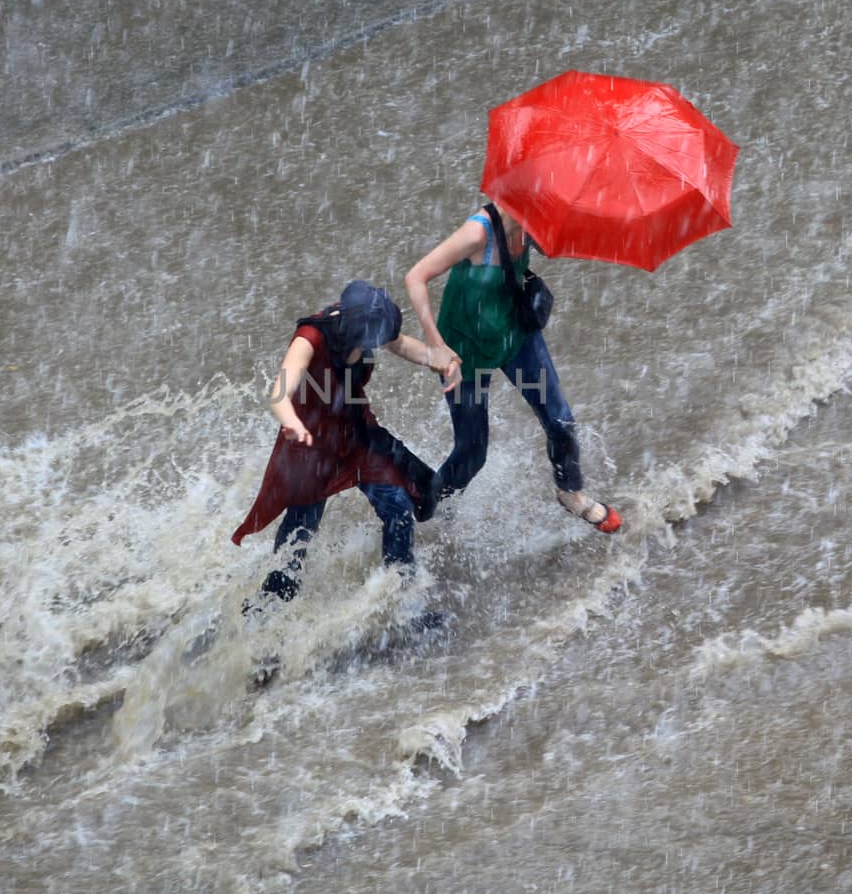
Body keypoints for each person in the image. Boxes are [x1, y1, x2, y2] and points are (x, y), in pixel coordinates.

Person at [232, 280, 459, 606]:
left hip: (356, 436)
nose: (379, 344)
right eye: (374, 340)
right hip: (309, 444)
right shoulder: (310, 338)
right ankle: (271, 602)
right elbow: (279, 392)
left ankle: (403, 590)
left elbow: (400, 344)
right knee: (301, 530)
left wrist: (434, 358)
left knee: (397, 505)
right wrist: (291, 421)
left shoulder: (367, 322)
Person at [404, 204, 621, 532]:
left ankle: (570, 492)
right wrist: (435, 345)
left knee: (560, 421)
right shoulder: (478, 233)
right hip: (465, 352)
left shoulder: (534, 224)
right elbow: (415, 276)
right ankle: (427, 512)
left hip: (514, 337)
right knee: (472, 454)